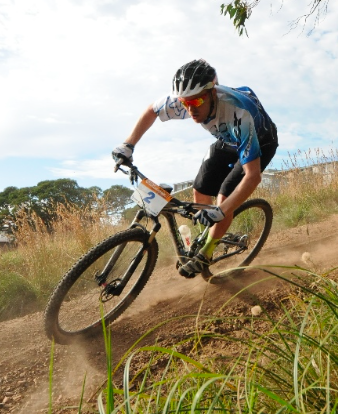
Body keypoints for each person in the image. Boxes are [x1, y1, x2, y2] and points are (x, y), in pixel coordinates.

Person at [112, 58, 278, 278]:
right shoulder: (188, 100)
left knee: (223, 197)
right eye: (184, 103)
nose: (190, 109)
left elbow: (252, 177)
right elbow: (152, 111)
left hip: (260, 140)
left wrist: (220, 212)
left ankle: (207, 251)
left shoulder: (238, 113)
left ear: (212, 93)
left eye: (196, 102)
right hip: (226, 140)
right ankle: (207, 236)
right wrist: (128, 145)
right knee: (200, 189)